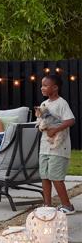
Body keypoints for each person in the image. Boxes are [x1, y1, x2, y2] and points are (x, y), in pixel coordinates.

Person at [38, 74, 76, 214]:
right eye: (42, 85)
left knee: (56, 177)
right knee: (44, 176)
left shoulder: (61, 103)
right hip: (45, 146)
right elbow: (42, 121)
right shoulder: (44, 104)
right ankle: (47, 205)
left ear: (55, 88)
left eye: (45, 85)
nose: (42, 88)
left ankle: (67, 206)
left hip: (58, 148)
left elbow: (70, 120)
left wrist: (55, 129)